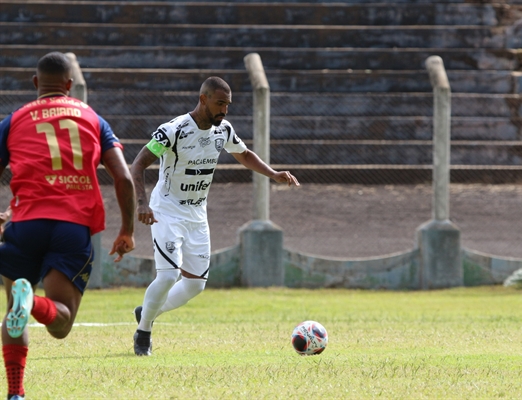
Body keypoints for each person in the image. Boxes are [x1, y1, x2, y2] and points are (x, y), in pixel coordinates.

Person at [131, 76, 299, 356]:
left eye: (228, 105)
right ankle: (144, 332)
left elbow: (243, 154)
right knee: (169, 275)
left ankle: (146, 312)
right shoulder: (172, 131)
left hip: (197, 215)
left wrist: (272, 173)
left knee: (195, 285)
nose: (224, 110)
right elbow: (137, 165)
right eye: (220, 104)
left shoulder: (224, 130)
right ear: (203, 99)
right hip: (167, 212)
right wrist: (141, 203)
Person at [0, 52, 135, 400]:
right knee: (61, 322)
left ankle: (16, 393)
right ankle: (32, 303)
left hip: (25, 224)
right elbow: (124, 178)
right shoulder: (92, 118)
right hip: (71, 226)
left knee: (13, 309)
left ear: (35, 84)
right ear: (70, 85)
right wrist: (127, 230)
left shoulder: (13, 120)